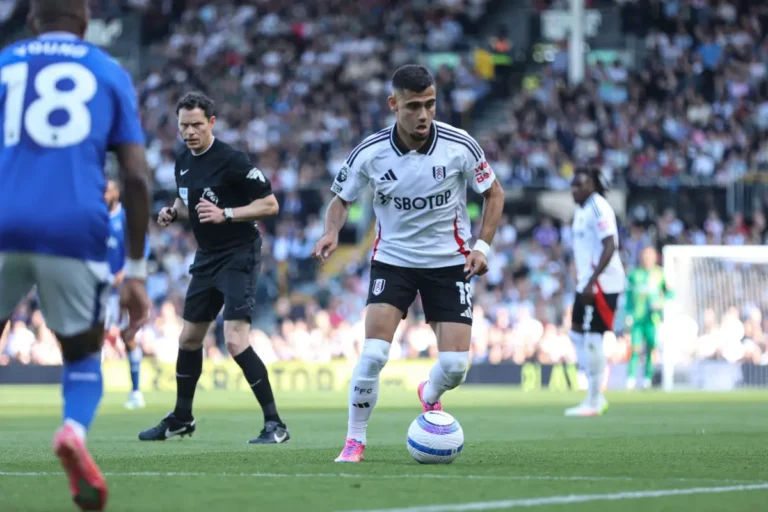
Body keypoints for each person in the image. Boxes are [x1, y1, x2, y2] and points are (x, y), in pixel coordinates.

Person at [311, 64, 505, 463]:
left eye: (430, 105)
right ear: (393, 104)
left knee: (454, 367)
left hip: (449, 263)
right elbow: (341, 200)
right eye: (413, 106)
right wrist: (332, 231)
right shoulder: (370, 152)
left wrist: (482, 245)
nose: (423, 115)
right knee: (374, 355)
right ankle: (355, 440)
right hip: (393, 260)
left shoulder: (459, 145)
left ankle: (429, 393)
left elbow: (494, 193)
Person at [0, 1, 151, 509]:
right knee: (82, 353)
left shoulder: (5, 62)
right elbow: (135, 175)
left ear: (30, 20)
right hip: (73, 227)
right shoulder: (108, 70)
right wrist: (135, 270)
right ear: (85, 23)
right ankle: (71, 430)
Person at [138, 92, 289, 444]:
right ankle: (181, 418)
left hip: (239, 253)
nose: (189, 132)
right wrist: (173, 212)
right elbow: (185, 199)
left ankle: (275, 424)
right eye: (183, 126)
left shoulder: (232, 160)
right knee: (189, 338)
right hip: (207, 256)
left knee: (235, 341)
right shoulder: (182, 161)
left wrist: (228, 214)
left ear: (211, 123)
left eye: (196, 125)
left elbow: (270, 204)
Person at [566, 168, 625, 417]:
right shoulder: (582, 211)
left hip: (602, 284)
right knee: (576, 333)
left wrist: (592, 280)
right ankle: (594, 392)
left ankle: (593, 399)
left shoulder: (598, 207)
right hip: (586, 283)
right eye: (573, 185)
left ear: (592, 186)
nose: (575, 189)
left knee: (592, 337)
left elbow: (610, 243)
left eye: (580, 185)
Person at [104, 179, 151, 409]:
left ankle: (136, 391)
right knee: (91, 336)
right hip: (100, 288)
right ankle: (91, 388)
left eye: (107, 191)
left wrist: (124, 276)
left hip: (122, 287)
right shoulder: (97, 218)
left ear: (116, 193)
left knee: (128, 336)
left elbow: (142, 250)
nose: (103, 195)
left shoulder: (127, 219)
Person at [625, 246, 670, 390]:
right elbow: (628, 297)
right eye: (644, 256)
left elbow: (670, 293)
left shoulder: (660, 274)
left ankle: (647, 378)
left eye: (650, 256)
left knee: (651, 347)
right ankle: (631, 378)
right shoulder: (634, 274)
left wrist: (660, 303)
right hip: (638, 318)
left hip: (653, 319)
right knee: (635, 348)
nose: (647, 259)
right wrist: (627, 313)